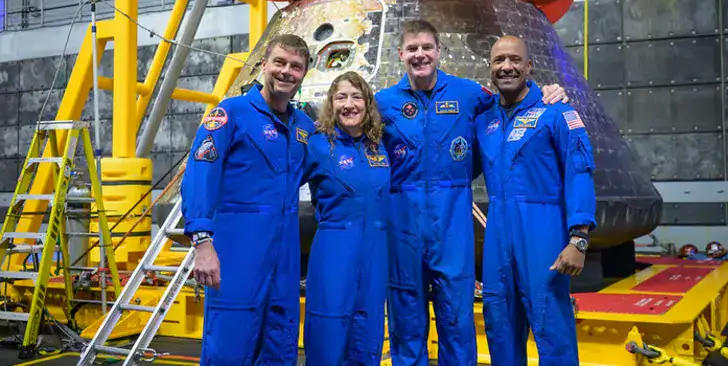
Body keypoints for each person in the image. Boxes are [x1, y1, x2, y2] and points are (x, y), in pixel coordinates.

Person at [374, 20, 569, 366]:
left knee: (456, 317)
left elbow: (514, 100)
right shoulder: (383, 103)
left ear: (438, 52)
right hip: (402, 218)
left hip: (452, 220)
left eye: (427, 48)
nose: (420, 55)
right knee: (405, 316)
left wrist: (551, 92)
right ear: (401, 54)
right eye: (413, 49)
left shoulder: (469, 95)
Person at [180, 34, 315, 366]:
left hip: (284, 261)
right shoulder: (231, 114)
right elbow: (199, 176)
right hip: (237, 254)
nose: (286, 72)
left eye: (295, 66)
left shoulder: (305, 127)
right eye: (280, 62)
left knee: (279, 348)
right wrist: (202, 243)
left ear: (304, 74)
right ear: (263, 64)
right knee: (229, 348)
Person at [473, 35, 597, 366]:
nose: (506, 67)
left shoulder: (556, 111)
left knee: (551, 325)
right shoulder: (483, 120)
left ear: (529, 66)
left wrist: (579, 239)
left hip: (543, 233)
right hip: (498, 234)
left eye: (514, 60)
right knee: (499, 323)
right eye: (499, 60)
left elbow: (580, 172)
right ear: (490, 68)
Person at [302, 71, 391, 366]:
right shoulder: (316, 145)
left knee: (368, 333)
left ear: (368, 103)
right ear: (331, 103)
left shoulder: (380, 146)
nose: (349, 104)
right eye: (341, 97)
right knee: (329, 328)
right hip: (334, 248)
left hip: (376, 253)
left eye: (356, 97)